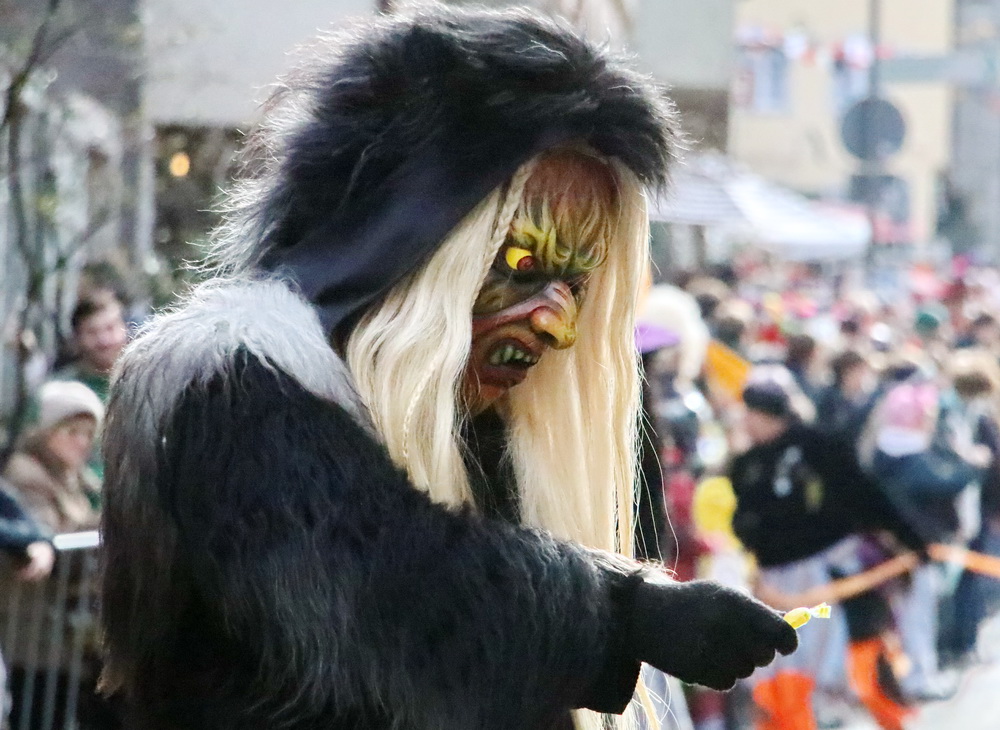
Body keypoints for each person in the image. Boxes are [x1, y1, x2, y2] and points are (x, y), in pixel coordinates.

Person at [99, 8, 797, 730]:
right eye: (521, 266)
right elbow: (391, 594)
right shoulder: (227, 382)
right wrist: (629, 610)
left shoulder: (476, 422)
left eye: (574, 283)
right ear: (405, 242)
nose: (556, 325)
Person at [729, 370, 926, 730]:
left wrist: (911, 540)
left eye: (751, 412)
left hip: (834, 575)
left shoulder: (820, 447)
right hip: (778, 583)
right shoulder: (745, 465)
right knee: (786, 676)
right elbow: (745, 521)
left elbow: (866, 495)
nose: (746, 421)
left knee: (860, 666)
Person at [2, 381, 102, 536]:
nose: (82, 442)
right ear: (47, 433)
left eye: (89, 434)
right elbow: (48, 535)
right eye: (72, 432)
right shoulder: (27, 475)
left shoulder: (77, 476)